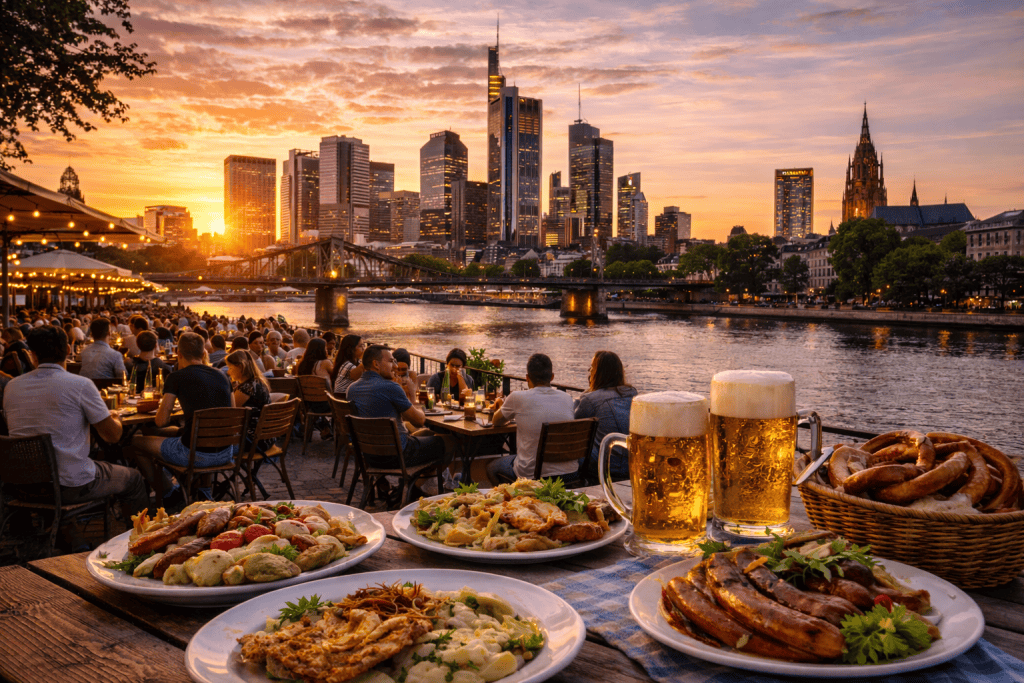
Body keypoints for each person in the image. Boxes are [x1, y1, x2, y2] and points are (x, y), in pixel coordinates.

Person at [3, 326, 148, 524]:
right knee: (134, 479)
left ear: (33, 355)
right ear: (69, 350)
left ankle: (68, 536)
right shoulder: (80, 385)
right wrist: (115, 417)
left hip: (23, 485)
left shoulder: (12, 386)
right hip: (70, 486)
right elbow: (112, 436)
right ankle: (136, 541)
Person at [130, 332, 234, 501]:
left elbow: (161, 421)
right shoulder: (223, 376)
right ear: (203, 353)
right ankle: (203, 491)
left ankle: (168, 490)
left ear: (179, 353)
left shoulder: (176, 377)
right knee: (182, 433)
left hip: (193, 455)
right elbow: (232, 413)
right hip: (225, 453)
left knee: (136, 441)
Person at [347, 345, 453, 474]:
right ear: (376, 364)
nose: (395, 366)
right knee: (449, 442)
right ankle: (416, 485)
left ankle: (413, 486)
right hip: (397, 455)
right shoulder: (391, 387)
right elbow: (419, 421)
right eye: (391, 361)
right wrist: (412, 394)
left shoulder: (352, 389)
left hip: (369, 455)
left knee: (427, 433)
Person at [486, 353, 575, 484]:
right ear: (552, 377)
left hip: (533, 475)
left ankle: (516, 501)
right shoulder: (567, 398)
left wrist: (500, 403)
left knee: (492, 467)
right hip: (569, 473)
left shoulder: (517, 397)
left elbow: (496, 421)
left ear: (527, 378)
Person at [573, 351, 637, 484]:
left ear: (596, 372)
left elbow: (573, 423)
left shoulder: (590, 399)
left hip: (606, 465)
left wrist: (588, 392)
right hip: (631, 463)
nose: (589, 371)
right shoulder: (632, 393)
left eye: (591, 367)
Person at [224, 349, 272, 452]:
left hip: (253, 441)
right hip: (267, 437)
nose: (228, 372)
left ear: (240, 367)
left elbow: (230, 412)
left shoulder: (246, 388)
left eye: (230, 368)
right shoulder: (257, 382)